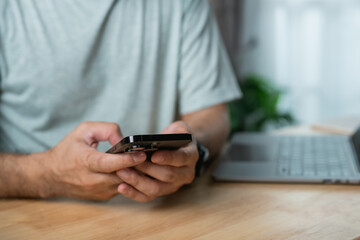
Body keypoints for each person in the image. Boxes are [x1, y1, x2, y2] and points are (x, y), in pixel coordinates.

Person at [0, 0, 241, 202]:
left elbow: (212, 113)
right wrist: (47, 174)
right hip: (29, 217)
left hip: (156, 215)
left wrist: (193, 150)